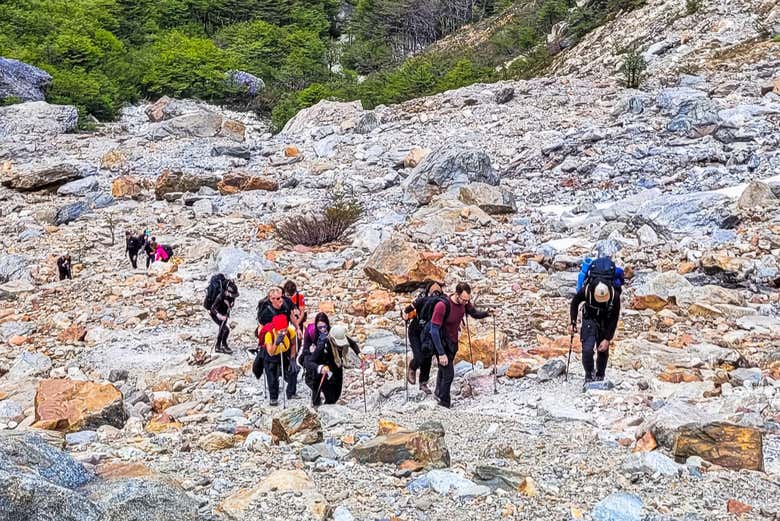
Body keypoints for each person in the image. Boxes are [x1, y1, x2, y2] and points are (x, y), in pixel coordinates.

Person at [424, 282, 490, 408]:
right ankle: (444, 403)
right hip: (441, 344)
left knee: (443, 370)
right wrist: (441, 353)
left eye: (467, 300)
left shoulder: (464, 303)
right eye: (463, 300)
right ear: (456, 294)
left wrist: (487, 313)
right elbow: (434, 330)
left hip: (453, 343)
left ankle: (438, 393)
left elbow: (474, 313)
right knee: (449, 374)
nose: (466, 302)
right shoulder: (442, 306)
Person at [570, 262, 622, 383]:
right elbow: (575, 302)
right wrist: (572, 322)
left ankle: (600, 375)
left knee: (603, 349)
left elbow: (614, 317)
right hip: (589, 317)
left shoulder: (615, 296)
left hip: (606, 320)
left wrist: (607, 339)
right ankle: (589, 375)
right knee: (587, 349)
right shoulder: (587, 290)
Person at [304, 323, 364, 406]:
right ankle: (324, 410)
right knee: (330, 398)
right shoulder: (323, 345)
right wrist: (320, 368)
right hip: (324, 372)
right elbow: (310, 362)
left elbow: (353, 344)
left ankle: (326, 408)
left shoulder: (342, 337)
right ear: (332, 338)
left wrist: (359, 353)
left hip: (337, 367)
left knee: (336, 395)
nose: (340, 346)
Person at [402, 280, 444, 394]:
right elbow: (407, 310)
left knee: (427, 355)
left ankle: (423, 383)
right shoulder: (421, 299)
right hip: (416, 330)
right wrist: (405, 315)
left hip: (429, 331)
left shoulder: (442, 300)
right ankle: (412, 366)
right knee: (419, 356)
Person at [258, 314, 299, 406]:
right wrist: (276, 343)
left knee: (293, 370)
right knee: (272, 377)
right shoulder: (269, 334)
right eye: (281, 331)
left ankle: (291, 392)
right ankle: (273, 398)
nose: (283, 333)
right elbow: (271, 352)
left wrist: (292, 358)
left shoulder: (290, 331)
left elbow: (293, 344)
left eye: (285, 330)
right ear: (276, 329)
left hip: (283, 353)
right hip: (270, 356)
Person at [210, 279, 238, 354]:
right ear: (227, 292)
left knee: (222, 329)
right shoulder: (220, 297)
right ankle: (223, 345)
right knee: (226, 330)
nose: (233, 296)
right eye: (232, 295)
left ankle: (218, 346)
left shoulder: (232, 296)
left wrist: (230, 305)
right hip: (216, 314)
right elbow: (213, 308)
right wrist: (219, 315)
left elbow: (232, 303)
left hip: (225, 313)